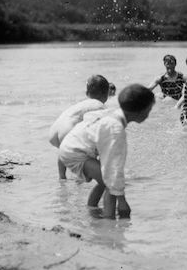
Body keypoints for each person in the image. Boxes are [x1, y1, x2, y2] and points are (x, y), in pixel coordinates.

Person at [58, 84, 155, 218]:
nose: (148, 115)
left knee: (107, 181)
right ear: (139, 111)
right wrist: (122, 202)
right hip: (75, 151)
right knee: (109, 182)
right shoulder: (115, 129)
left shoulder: (113, 114)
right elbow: (113, 169)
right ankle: (108, 225)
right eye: (148, 110)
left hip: (70, 145)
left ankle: (92, 209)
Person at [48, 75, 111, 179]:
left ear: (87, 93)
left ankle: (62, 178)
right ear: (107, 93)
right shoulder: (99, 105)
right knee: (85, 150)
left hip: (54, 132)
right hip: (68, 131)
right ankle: (80, 181)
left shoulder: (81, 104)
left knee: (63, 147)